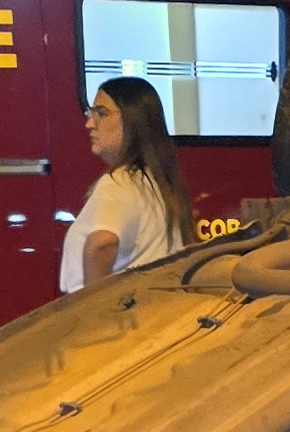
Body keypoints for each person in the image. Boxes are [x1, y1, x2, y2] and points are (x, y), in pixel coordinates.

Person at [63, 76, 193, 292]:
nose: (89, 124)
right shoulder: (157, 182)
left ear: (134, 120)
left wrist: (95, 308)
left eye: (101, 113)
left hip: (121, 316)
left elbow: (100, 245)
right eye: (90, 113)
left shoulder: (117, 182)